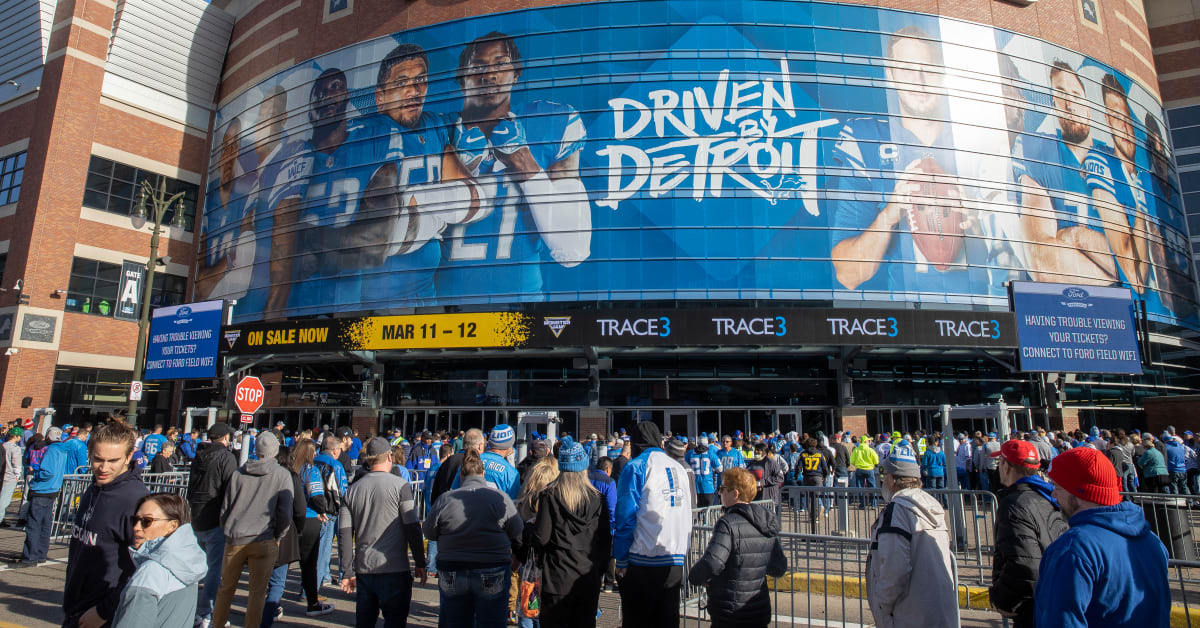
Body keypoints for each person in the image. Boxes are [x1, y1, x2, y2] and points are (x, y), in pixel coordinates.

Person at [1035, 447, 1169, 626]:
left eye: (1058, 486)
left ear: (1079, 492)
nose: (1053, 494)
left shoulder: (1073, 548)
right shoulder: (1152, 540)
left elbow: (1060, 620)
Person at [422, 448, 524, 628]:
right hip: (491, 566)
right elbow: (517, 530)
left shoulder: (446, 499)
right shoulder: (500, 498)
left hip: (453, 566)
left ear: (461, 475)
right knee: (491, 622)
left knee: (454, 621)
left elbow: (429, 532)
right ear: (483, 473)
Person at [62, 421, 150, 628]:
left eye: (113, 460)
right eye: (98, 459)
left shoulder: (136, 500)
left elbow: (145, 566)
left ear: (129, 457)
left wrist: (104, 611)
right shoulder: (95, 487)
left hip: (104, 615)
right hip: (75, 607)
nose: (104, 467)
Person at [865, 442, 957, 627]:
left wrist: (882, 606)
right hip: (939, 611)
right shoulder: (933, 506)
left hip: (909, 613)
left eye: (885, 477)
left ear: (892, 479)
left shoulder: (897, 511)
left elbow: (894, 567)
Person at [339, 437, 426, 628]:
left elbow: (344, 533)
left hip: (365, 568)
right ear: (389, 457)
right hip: (395, 567)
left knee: (365, 622)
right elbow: (412, 526)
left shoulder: (351, 491)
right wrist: (420, 561)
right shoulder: (400, 486)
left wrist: (346, 571)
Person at [613, 421, 693, 628]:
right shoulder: (679, 467)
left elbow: (625, 515)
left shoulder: (636, 466)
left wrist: (620, 558)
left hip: (643, 559)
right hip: (674, 558)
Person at [212, 432, 295, 628]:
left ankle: (217, 623)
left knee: (225, 589)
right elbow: (285, 512)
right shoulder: (282, 475)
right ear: (275, 450)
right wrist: (279, 535)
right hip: (264, 538)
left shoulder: (239, 473)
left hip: (235, 536)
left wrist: (227, 529)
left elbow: (226, 507)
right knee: (257, 593)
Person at [687, 468, 787, 628]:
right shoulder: (765, 522)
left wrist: (695, 577)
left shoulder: (728, 523)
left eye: (722, 489)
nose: (719, 493)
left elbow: (713, 562)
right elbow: (779, 567)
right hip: (757, 608)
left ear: (735, 493)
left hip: (730, 610)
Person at [528, 437, 611, 628]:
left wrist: (530, 533)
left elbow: (541, 537)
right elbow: (605, 540)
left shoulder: (550, 495)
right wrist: (600, 570)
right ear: (583, 468)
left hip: (557, 578)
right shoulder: (597, 499)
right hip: (587, 577)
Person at [987, 439, 1068, 627]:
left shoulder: (1014, 503)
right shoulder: (1048, 495)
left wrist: (1004, 600)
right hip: (1050, 597)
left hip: (1030, 606)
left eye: (1000, 463)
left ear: (1006, 466)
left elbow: (1023, 563)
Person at [111, 494, 206, 628]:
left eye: (146, 521)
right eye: (135, 520)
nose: (136, 527)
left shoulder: (150, 573)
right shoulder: (187, 561)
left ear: (172, 526)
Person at [187, 422, 237, 627]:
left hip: (196, 516)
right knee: (214, 570)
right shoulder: (226, 458)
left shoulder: (199, 455)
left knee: (194, 568)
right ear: (225, 438)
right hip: (215, 517)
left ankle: (192, 609)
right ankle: (206, 613)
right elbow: (231, 490)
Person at [16, 426, 70, 567]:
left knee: (34, 524)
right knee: (45, 524)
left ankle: (30, 556)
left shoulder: (52, 450)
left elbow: (47, 472)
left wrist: (35, 472)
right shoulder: (62, 450)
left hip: (42, 489)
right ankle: (40, 553)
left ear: (48, 436)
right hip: (52, 488)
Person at [294, 439, 335, 616]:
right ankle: (312, 602)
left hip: (290, 519)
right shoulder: (311, 470)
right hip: (309, 519)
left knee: (280, 565)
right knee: (309, 564)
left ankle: (271, 603)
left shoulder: (290, 470)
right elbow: (317, 496)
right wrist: (322, 510)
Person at [314, 434, 349, 589]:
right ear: (335, 451)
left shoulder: (311, 462)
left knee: (312, 552)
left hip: (310, 511)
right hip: (328, 512)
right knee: (323, 551)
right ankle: (315, 587)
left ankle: (310, 585)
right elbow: (342, 491)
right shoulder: (335, 465)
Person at [452, 424, 521, 499]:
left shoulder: (468, 462)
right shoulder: (511, 473)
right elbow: (513, 505)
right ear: (510, 445)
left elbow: (453, 493)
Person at [687, 437, 722, 507]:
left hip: (694, 487)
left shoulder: (690, 453)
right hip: (708, 487)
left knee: (696, 512)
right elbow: (720, 468)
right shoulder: (710, 453)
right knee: (708, 513)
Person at [1, 427, 23, 525]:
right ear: (16, 436)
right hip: (9, 477)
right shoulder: (15, 449)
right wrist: (17, 475)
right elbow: (17, 464)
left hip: (2, 475)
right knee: (4, 501)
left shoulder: (3, 446)